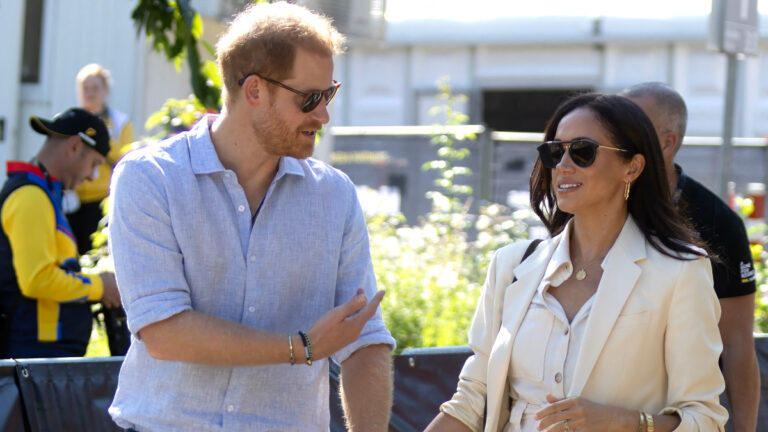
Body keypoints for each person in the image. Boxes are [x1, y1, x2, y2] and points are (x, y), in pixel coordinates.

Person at [107, 2, 395, 431]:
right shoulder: (150, 178)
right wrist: (301, 347)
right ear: (255, 91)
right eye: (310, 98)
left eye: (328, 93)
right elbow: (164, 332)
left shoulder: (335, 195)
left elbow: (365, 340)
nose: (323, 115)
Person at [426, 94, 727, 432]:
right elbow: (470, 403)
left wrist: (621, 422)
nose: (563, 166)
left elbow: (705, 420)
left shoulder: (680, 272)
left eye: (582, 151)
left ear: (633, 166)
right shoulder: (510, 266)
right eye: (555, 152)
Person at [621, 82, 759, 432]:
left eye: (632, 128)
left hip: (679, 416)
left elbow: (738, 343)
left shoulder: (717, 222)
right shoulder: (596, 204)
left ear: (667, 143)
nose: (617, 136)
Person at [0, 108, 121, 358]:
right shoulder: (31, 196)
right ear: (75, 146)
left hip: (39, 354)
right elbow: (37, 279)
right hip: (30, 355)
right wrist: (100, 286)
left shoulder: (43, 194)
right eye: (94, 164)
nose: (91, 176)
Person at [70, 63, 135, 255]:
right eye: (85, 88)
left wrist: (99, 138)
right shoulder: (71, 121)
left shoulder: (120, 122)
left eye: (95, 88)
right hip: (73, 201)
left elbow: (126, 160)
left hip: (103, 200)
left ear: (105, 90)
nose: (90, 93)